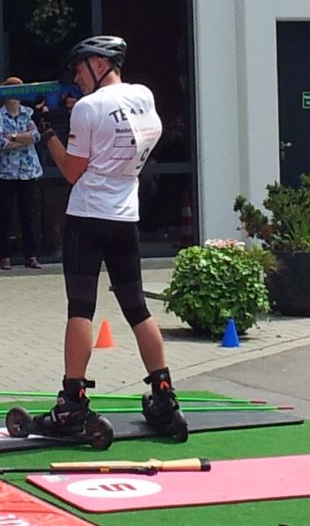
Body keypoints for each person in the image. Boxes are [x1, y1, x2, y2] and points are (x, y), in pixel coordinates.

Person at [38, 35, 187, 439]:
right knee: (137, 308)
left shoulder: (89, 108)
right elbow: (120, 134)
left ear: (100, 65)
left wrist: (47, 132)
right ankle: (163, 392)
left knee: (80, 310)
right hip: (125, 217)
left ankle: (72, 403)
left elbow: (72, 171)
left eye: (80, 68)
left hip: (87, 217)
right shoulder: (144, 96)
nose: (76, 76)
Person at [0, 76, 43, 270]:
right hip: (5, 172)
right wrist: (23, 139)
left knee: (28, 214)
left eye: (18, 91)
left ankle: (31, 256)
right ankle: (5, 256)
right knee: (4, 215)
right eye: (11, 91)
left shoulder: (28, 113)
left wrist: (12, 136)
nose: (14, 96)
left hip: (27, 171)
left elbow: (36, 136)